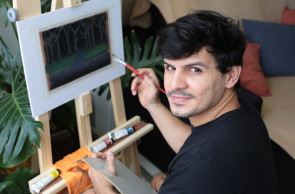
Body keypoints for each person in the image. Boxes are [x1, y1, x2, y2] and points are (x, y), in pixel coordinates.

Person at [88, 10, 279, 193]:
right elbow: (195, 144)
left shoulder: (201, 166)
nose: (175, 84)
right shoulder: (242, 114)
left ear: (230, 75)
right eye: (170, 67)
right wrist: (153, 104)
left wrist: (103, 187)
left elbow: (203, 160)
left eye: (194, 69)